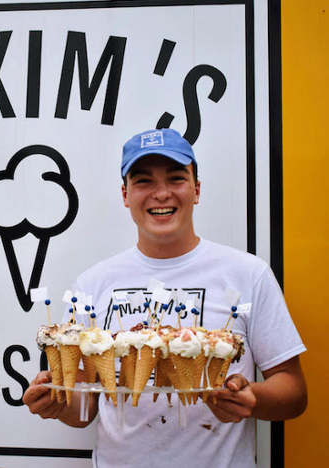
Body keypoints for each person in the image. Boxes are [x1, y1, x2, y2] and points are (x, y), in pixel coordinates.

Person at [23, 129, 307, 467]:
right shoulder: (93, 283)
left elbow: (294, 391)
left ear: (196, 189)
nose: (161, 193)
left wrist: (253, 399)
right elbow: (85, 411)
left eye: (176, 178)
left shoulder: (248, 274)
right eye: (144, 181)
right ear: (125, 194)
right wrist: (58, 404)